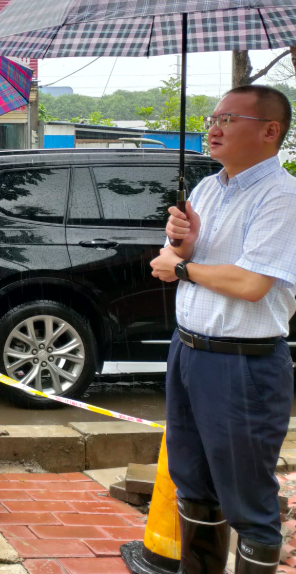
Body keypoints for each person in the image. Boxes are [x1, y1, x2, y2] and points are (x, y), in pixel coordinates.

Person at [150, 85, 296, 574]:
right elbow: (180, 258)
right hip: (188, 351)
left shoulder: (282, 196)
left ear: (270, 131)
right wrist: (185, 246)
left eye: (229, 119)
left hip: (243, 363)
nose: (214, 127)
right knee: (192, 482)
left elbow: (253, 283)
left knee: (248, 502)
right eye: (214, 117)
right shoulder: (208, 188)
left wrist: (183, 268)